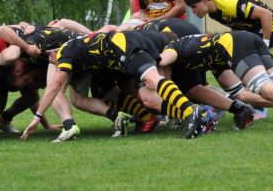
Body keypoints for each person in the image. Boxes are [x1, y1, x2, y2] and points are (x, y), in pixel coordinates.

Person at [21, 30, 208, 141]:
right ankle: (198, 114)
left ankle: (192, 113)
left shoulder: (64, 53)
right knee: (147, 86)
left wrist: (37, 117)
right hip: (129, 41)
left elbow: (54, 87)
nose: (50, 60)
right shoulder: (73, 46)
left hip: (123, 45)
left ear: (54, 49)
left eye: (49, 56)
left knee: (152, 81)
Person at [159, 31, 273, 131]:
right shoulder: (193, 45)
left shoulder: (172, 46)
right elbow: (236, 91)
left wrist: (150, 64)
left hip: (234, 45)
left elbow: (163, 60)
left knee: (264, 89)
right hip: (244, 39)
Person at [185, 0, 273, 48]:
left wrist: (265, 44)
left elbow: (266, 15)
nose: (193, 11)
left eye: (194, 6)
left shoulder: (231, 5)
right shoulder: (212, 12)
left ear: (205, 1)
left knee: (251, 52)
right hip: (254, 27)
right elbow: (237, 24)